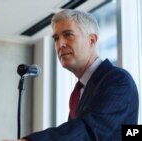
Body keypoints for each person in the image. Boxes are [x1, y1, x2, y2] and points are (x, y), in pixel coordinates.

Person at [15, 9, 139, 141]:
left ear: (92, 40)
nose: (60, 44)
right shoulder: (81, 90)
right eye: (56, 38)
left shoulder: (117, 80)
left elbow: (88, 129)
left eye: (68, 35)